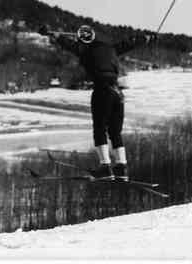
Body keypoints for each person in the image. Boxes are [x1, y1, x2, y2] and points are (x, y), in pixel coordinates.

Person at [40, 24, 156, 181]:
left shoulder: (85, 49)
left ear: (83, 41)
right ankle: (121, 168)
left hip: (102, 90)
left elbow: (68, 44)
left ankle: (105, 167)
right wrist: (146, 38)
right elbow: (129, 43)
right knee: (115, 132)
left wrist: (52, 34)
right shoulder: (111, 48)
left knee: (99, 129)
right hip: (118, 93)